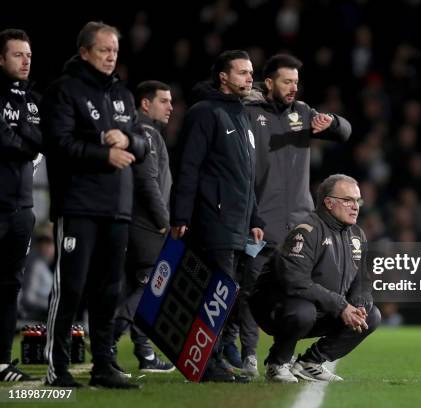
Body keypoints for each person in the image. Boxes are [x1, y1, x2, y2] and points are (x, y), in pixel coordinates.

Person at [222, 53, 352, 376]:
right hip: (261, 221)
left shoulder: (304, 113)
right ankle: (248, 354)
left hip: (300, 225)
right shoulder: (249, 113)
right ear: (269, 83)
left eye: (296, 81)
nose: (294, 87)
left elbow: (345, 132)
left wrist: (332, 123)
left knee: (302, 291)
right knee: (251, 289)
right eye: (287, 81)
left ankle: (290, 358)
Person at [42, 21, 148, 389]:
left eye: (115, 50)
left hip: (117, 207)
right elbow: (59, 145)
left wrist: (130, 140)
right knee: (70, 288)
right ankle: (58, 368)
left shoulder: (122, 94)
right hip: (79, 204)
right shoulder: (64, 91)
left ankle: (104, 364)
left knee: (108, 291)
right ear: (85, 51)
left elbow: (143, 144)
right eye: (104, 50)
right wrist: (105, 154)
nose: (110, 56)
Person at [170, 49, 264, 382]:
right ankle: (206, 364)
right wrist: (181, 215)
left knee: (226, 295)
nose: (249, 78)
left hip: (237, 224)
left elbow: (245, 175)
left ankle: (215, 360)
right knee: (216, 294)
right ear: (223, 77)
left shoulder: (241, 115)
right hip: (213, 220)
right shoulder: (204, 112)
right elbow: (188, 167)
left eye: (251, 72)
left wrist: (254, 218)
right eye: (242, 72)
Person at [250, 174, 380, 383]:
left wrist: (359, 304)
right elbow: (294, 281)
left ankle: (311, 363)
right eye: (348, 200)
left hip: (321, 307)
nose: (355, 206)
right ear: (328, 203)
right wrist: (340, 305)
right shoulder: (307, 230)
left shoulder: (357, 235)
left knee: (372, 315)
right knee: (303, 311)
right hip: (275, 307)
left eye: (358, 201)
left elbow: (362, 281)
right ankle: (277, 363)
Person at [112, 80, 174, 374]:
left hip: (138, 224)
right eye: (164, 101)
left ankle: (145, 353)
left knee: (144, 288)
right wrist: (164, 222)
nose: (170, 107)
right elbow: (147, 182)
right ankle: (110, 339)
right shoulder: (146, 132)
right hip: (146, 225)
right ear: (145, 104)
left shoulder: (147, 133)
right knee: (149, 289)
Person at [0, 28, 42, 382]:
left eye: (28, 54)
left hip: (21, 210)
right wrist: (27, 141)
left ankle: (1, 362)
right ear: (1, 59)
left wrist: (23, 139)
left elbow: (40, 141)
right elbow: (8, 142)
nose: (25, 60)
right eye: (17, 54)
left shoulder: (33, 101)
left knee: (10, 286)